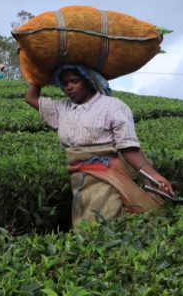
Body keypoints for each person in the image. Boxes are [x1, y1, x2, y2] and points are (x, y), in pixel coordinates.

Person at [25, 64, 174, 227]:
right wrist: (36, 72)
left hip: (107, 177)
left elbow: (128, 148)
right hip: (79, 179)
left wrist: (154, 176)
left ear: (89, 81)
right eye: (65, 82)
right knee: (84, 227)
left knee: (104, 224)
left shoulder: (112, 106)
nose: (69, 87)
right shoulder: (62, 108)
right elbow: (31, 98)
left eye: (75, 81)